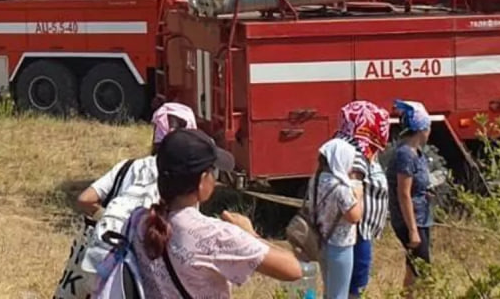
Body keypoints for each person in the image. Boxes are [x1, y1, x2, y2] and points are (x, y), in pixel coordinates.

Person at [128, 128, 302, 297]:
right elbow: (293, 269)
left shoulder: (139, 221)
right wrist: (250, 234)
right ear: (202, 181)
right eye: (214, 171)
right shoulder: (214, 235)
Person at [73, 102, 198, 293]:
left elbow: (85, 199)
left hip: (106, 257)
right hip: (151, 267)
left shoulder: (128, 166)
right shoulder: (186, 179)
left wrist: (115, 217)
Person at [336, 101, 391, 299]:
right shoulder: (356, 154)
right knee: (351, 290)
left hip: (360, 231)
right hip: (353, 234)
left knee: (351, 287)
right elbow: (350, 197)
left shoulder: (361, 151)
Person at [306, 137, 363, 299]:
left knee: (328, 289)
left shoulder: (315, 181)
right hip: (340, 245)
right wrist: (358, 195)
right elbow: (355, 216)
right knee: (339, 293)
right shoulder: (342, 189)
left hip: (321, 241)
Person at [388, 100, 435, 295]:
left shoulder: (418, 153)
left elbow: (415, 186)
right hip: (411, 220)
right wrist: (412, 230)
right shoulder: (405, 155)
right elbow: (403, 193)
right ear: (421, 129)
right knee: (423, 269)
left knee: (413, 266)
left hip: (422, 216)